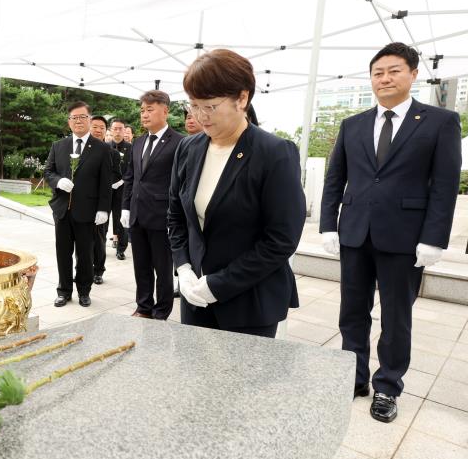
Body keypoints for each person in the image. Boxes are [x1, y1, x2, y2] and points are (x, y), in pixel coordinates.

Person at [320, 42, 461, 423]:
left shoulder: (439, 122)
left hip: (404, 236)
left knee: (396, 316)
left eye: (394, 70)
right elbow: (336, 178)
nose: (384, 78)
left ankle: (387, 386)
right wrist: (327, 225)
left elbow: (446, 185)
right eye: (378, 72)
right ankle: (353, 377)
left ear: (413, 74)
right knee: (352, 312)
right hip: (354, 233)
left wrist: (434, 238)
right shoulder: (353, 124)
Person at [167, 48, 306, 338]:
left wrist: (218, 284)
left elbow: (281, 239)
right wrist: (183, 266)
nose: (200, 116)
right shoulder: (188, 149)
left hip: (249, 303)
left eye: (210, 106)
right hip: (195, 298)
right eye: (194, 106)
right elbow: (176, 215)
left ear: (242, 99)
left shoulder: (274, 153)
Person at [121, 91, 184, 320]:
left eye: (150, 110)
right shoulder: (137, 142)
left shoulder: (179, 143)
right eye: (142, 111)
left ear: (165, 111)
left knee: (163, 269)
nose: (144, 115)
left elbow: (181, 183)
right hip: (137, 216)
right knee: (141, 267)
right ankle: (144, 307)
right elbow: (131, 177)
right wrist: (125, 207)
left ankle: (161, 311)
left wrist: (176, 217)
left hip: (162, 217)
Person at [45, 102, 111, 308]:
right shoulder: (59, 146)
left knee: (85, 254)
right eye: (75, 117)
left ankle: (84, 290)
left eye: (83, 117)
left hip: (88, 212)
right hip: (62, 211)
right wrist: (58, 182)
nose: (79, 121)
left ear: (90, 120)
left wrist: (103, 209)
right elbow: (48, 172)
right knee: (62, 252)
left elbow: (105, 182)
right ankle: (64, 291)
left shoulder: (101, 148)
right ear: (69, 122)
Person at [89, 115, 120, 284]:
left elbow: (116, 174)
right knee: (82, 238)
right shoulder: (80, 150)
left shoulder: (112, 152)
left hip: (101, 201)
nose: (98, 130)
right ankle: (82, 269)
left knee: (99, 236)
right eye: (95, 126)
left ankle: (98, 270)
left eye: (102, 127)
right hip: (83, 201)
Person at [108, 118, 132, 260]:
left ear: (124, 130)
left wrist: (122, 181)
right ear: (111, 130)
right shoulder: (104, 146)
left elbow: (133, 169)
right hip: (106, 189)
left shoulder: (131, 148)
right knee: (102, 220)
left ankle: (121, 248)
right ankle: (99, 247)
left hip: (123, 190)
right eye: (115, 128)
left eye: (120, 129)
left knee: (121, 219)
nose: (117, 131)